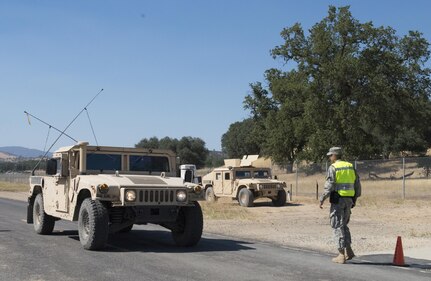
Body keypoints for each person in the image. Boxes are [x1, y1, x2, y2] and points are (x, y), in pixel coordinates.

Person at [319, 147, 361, 264]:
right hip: (349, 199)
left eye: (330, 155)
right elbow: (357, 183)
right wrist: (355, 198)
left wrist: (322, 198)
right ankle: (349, 250)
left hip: (338, 200)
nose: (329, 157)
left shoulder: (334, 168)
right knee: (344, 225)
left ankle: (341, 255)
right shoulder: (350, 166)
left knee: (337, 225)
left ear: (334, 155)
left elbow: (329, 185)